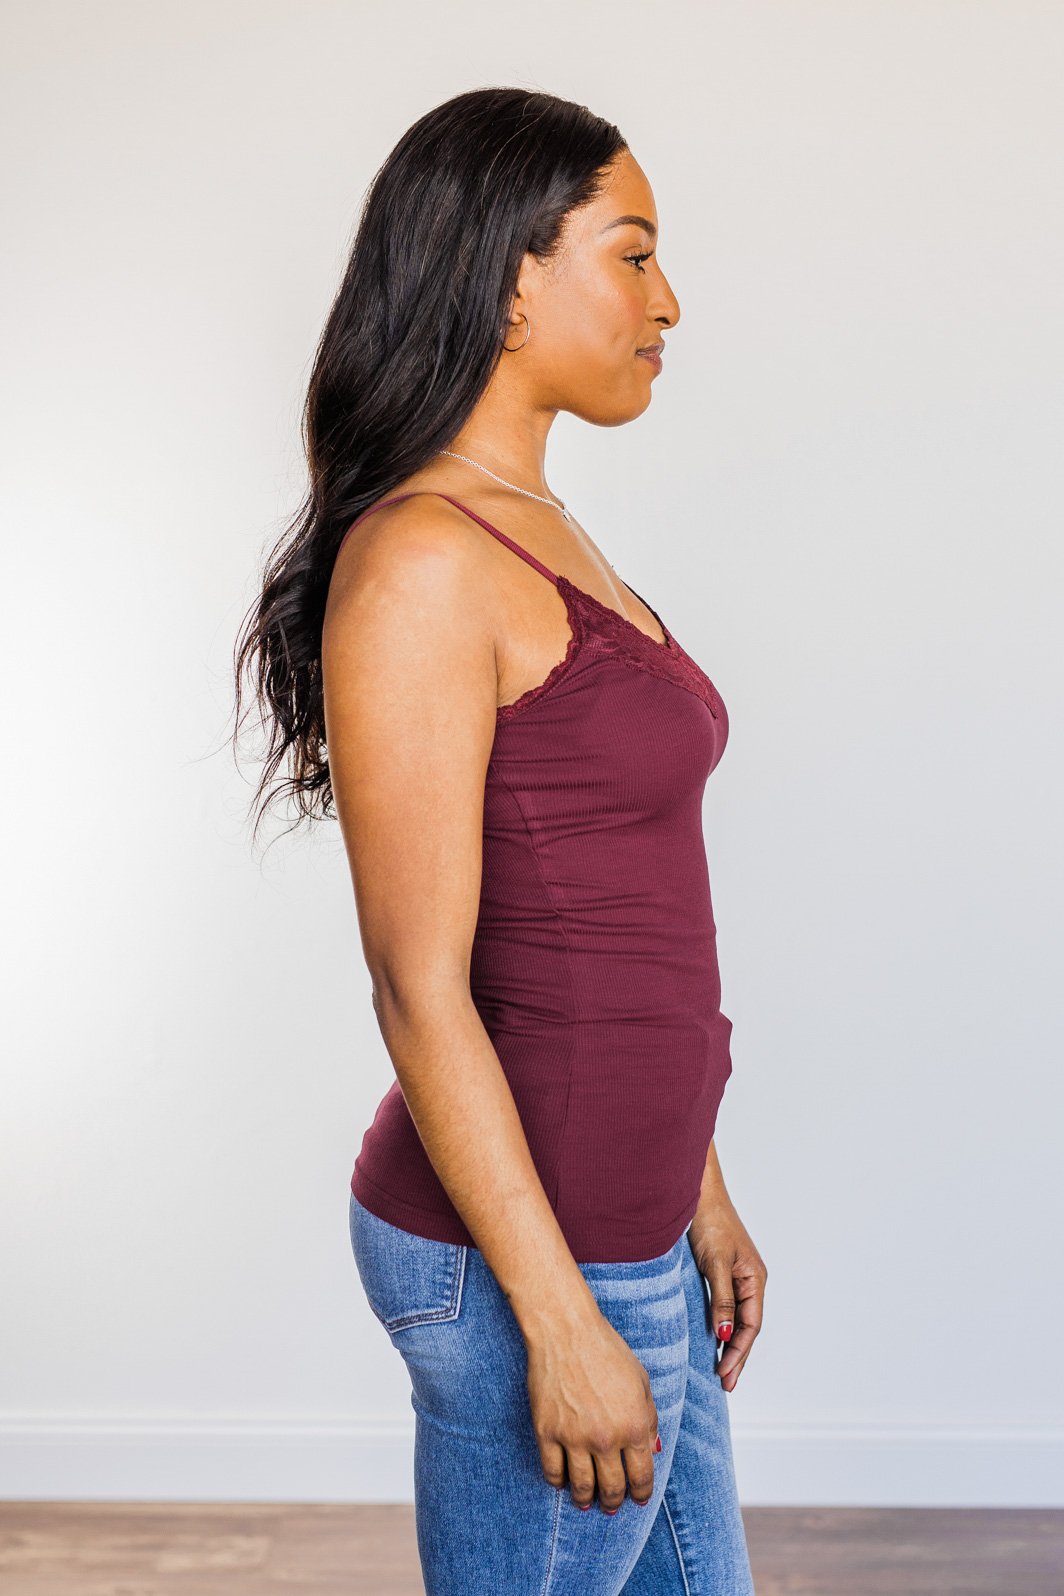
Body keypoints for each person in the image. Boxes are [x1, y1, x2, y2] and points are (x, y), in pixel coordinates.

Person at [235, 85, 766, 1596]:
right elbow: (422, 986)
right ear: (512, 280)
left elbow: (607, 914)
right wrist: (556, 1316)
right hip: (529, 1258)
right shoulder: (423, 560)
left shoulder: (540, 525)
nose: (669, 301)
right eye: (633, 255)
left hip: (628, 1225)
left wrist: (699, 1190)